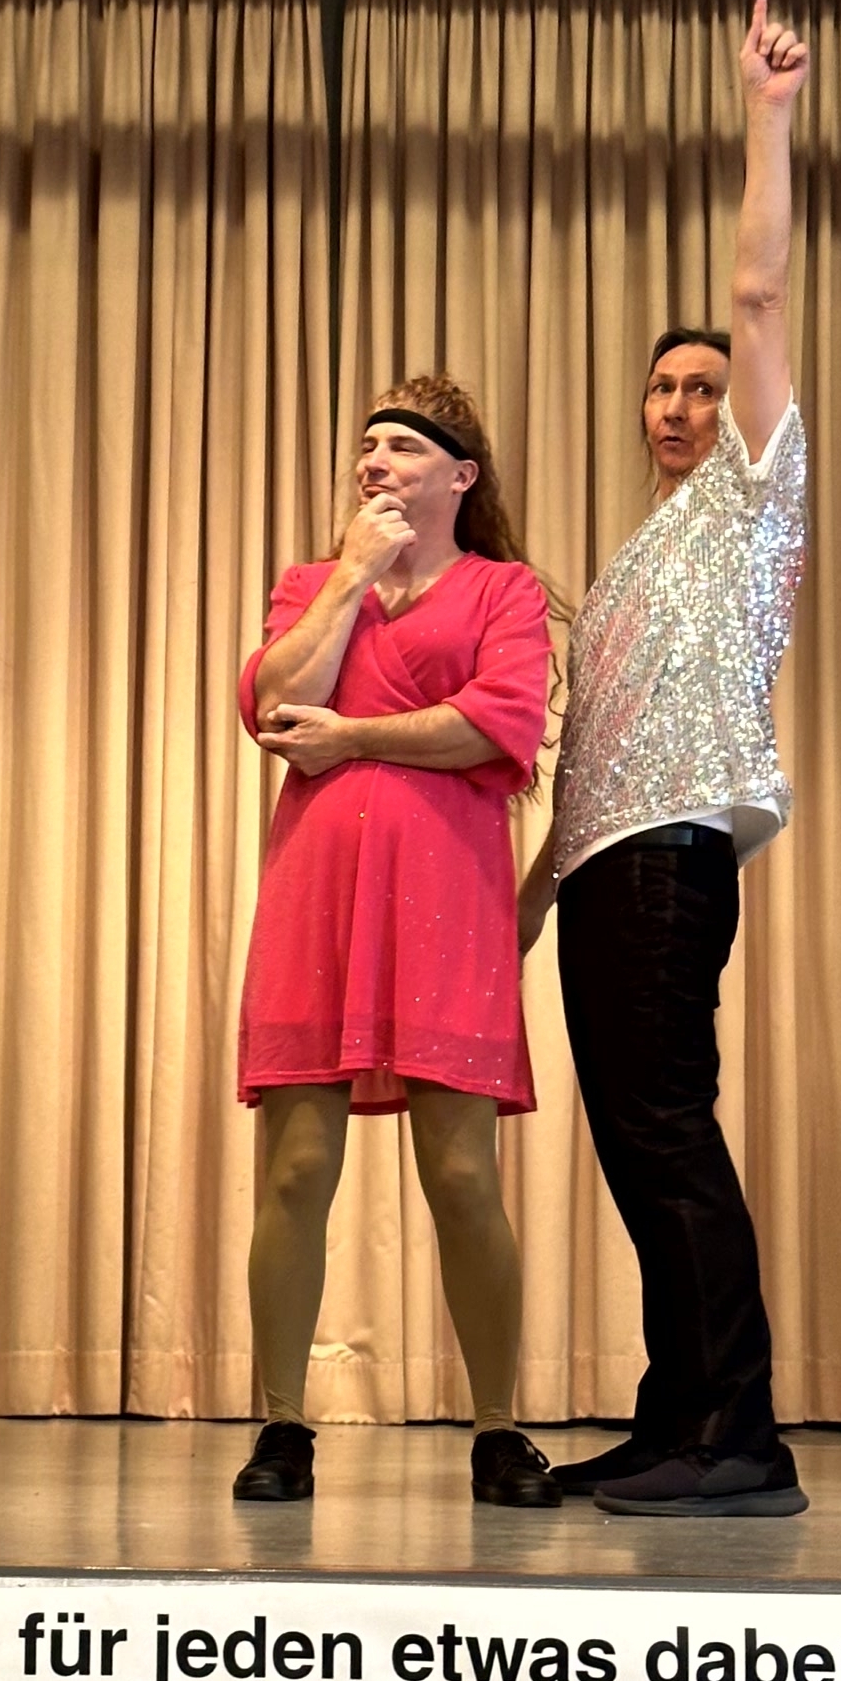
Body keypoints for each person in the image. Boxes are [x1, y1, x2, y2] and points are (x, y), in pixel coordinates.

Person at [518, 0, 811, 1520]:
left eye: (704, 385)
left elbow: (757, 291)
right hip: (603, 865)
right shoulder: (636, 554)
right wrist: (518, 903)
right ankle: (674, 1415)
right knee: (637, 1146)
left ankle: (739, 1435)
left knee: (666, 1131)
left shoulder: (750, 496)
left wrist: (765, 115)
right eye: (663, 386)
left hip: (671, 855)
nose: (684, 404)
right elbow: (586, 756)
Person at [229, 374, 557, 1508]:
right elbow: (275, 706)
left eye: (403, 447)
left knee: (461, 1172)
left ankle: (499, 1427)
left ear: (460, 476)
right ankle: (282, 1422)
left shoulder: (506, 589)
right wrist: (350, 579)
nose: (374, 460)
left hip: (447, 898)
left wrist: (358, 736)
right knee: (297, 1166)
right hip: (317, 895)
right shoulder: (311, 585)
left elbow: (499, 722)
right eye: (367, 445)